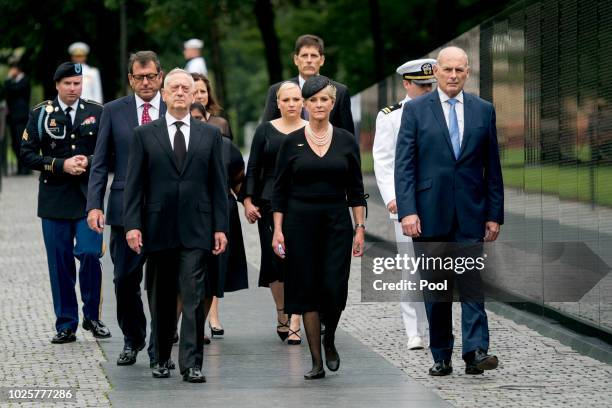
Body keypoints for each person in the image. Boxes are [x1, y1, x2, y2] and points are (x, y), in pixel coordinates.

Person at [394, 46, 504, 376]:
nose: (453, 75)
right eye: (447, 70)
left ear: (467, 72)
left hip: (471, 212)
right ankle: (441, 354)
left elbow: (493, 168)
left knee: (472, 285)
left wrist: (494, 213)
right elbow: (404, 166)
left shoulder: (483, 110)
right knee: (437, 289)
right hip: (429, 215)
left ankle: (476, 351)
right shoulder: (415, 110)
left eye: (459, 70)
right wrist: (408, 211)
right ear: (437, 72)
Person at [123, 68, 228, 383]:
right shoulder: (143, 135)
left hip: (197, 226)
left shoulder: (209, 134)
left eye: (187, 88)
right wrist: (132, 225)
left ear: (194, 94)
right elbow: (134, 185)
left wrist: (220, 227)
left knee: (194, 295)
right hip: (157, 226)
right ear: (164, 94)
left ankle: (192, 364)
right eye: (175, 88)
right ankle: (160, 356)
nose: (182, 92)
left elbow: (218, 185)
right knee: (161, 296)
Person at [271, 76, 367, 379]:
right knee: (308, 289)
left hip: (336, 222)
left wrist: (360, 227)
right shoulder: (291, 142)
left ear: (333, 102)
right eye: (312, 100)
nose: (319, 105)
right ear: (305, 104)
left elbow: (356, 188)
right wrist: (278, 229)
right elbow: (279, 191)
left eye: (324, 99)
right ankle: (315, 360)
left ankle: (329, 337)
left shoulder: (346, 140)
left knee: (335, 288)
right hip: (300, 222)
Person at [20, 61, 110, 344]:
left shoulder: (96, 112)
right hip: (55, 199)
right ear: (57, 85)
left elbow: (111, 153)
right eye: (68, 84)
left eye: (77, 84)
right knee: (59, 264)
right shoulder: (41, 114)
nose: (73, 89)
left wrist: (90, 161)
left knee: (89, 254)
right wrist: (61, 165)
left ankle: (92, 315)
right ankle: (66, 323)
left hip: (88, 199)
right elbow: (26, 154)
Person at [86, 51, 165, 367]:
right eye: (138, 77)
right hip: (123, 209)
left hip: (164, 209)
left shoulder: (173, 108)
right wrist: (94, 205)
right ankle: (133, 339)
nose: (145, 82)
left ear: (159, 76)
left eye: (150, 76)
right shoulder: (113, 111)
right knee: (124, 280)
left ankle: (160, 344)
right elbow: (101, 162)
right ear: (130, 78)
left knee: (163, 282)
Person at [372, 58, 436, 351]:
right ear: (407, 84)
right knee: (411, 268)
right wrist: (392, 198)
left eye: (429, 85)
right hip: (407, 201)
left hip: (436, 201)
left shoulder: (441, 111)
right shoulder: (391, 116)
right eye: (421, 85)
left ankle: (437, 327)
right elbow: (383, 161)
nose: (426, 90)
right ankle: (414, 330)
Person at [243, 81, 306, 345]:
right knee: (275, 261)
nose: (291, 104)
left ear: (302, 101)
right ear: (277, 103)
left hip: (303, 202)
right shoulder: (264, 131)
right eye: (286, 100)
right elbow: (253, 167)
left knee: (300, 261)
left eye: (296, 99)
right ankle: (282, 311)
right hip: (268, 203)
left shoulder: (312, 129)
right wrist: (247, 200)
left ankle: (296, 319)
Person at [189, 101, 248, 341]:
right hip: (185, 217)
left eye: (199, 119)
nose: (195, 123)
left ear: (207, 120)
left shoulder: (224, 146)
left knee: (211, 278)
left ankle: (197, 328)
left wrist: (250, 202)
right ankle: (174, 328)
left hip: (218, 217)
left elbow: (239, 180)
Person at [261, 34, 354, 135]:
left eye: (314, 56)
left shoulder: (340, 91)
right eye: (304, 55)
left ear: (322, 60)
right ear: (296, 60)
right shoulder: (277, 90)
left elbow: (348, 136)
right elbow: (266, 133)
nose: (309, 60)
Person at [3, 61, 31, 175]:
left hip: (21, 117)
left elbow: (13, 89)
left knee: (21, 142)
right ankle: (20, 168)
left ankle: (25, 168)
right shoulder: (15, 82)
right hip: (13, 117)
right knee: (15, 143)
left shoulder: (24, 81)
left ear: (18, 69)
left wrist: (8, 79)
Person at [192, 73, 232, 139]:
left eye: (203, 91)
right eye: (195, 92)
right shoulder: (181, 123)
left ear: (208, 94)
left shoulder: (221, 124)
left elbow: (227, 148)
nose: (199, 96)